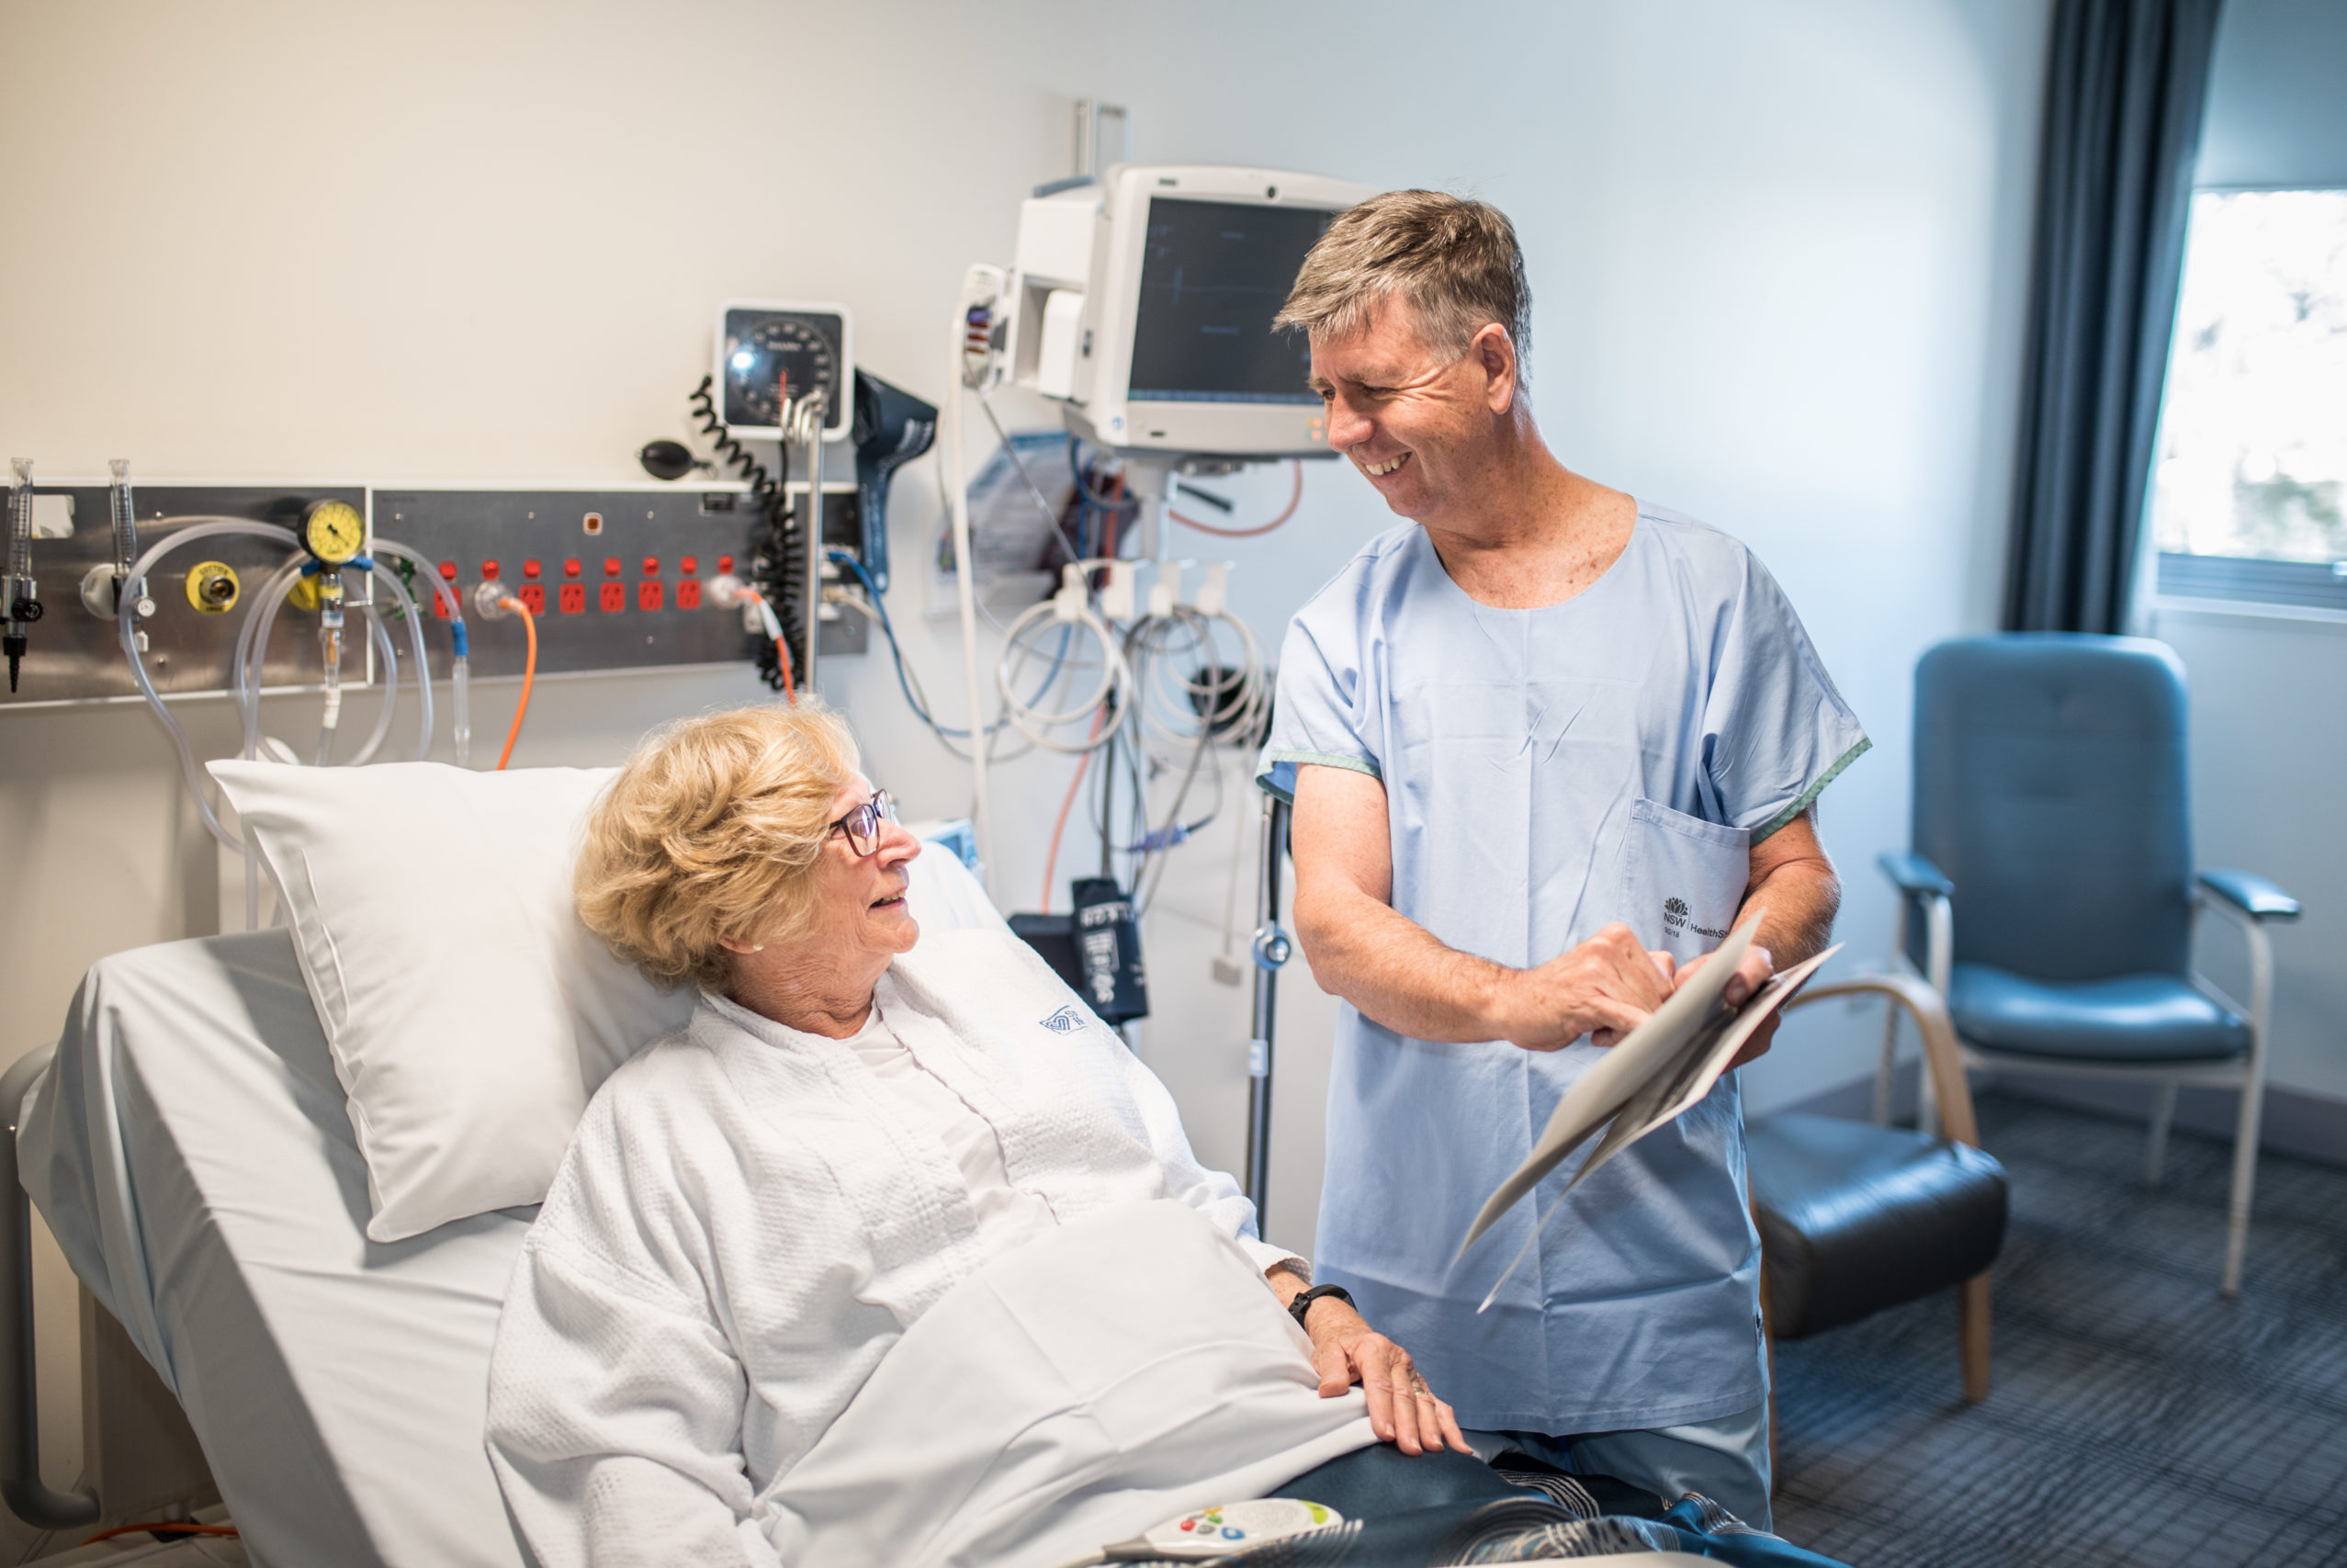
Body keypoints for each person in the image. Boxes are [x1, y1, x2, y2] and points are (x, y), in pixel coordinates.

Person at [484, 704, 1518, 1568]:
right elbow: (621, 1451)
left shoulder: (993, 976)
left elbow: (1181, 1200)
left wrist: (1318, 1305)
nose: (903, 845)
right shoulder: (664, 1128)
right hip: (1022, 1525)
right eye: (852, 830)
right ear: (743, 914)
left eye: (878, 809)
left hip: (1297, 1435)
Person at [1260, 190, 1867, 1529]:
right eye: (1327, 394)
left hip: (1654, 1293)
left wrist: (1749, 965)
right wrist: (1514, 998)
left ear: (1490, 364)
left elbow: (1802, 869)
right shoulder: (1342, 630)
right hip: (1420, 1286)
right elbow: (1335, 919)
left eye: (1370, 389)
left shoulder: (1712, 593)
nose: (1340, 431)